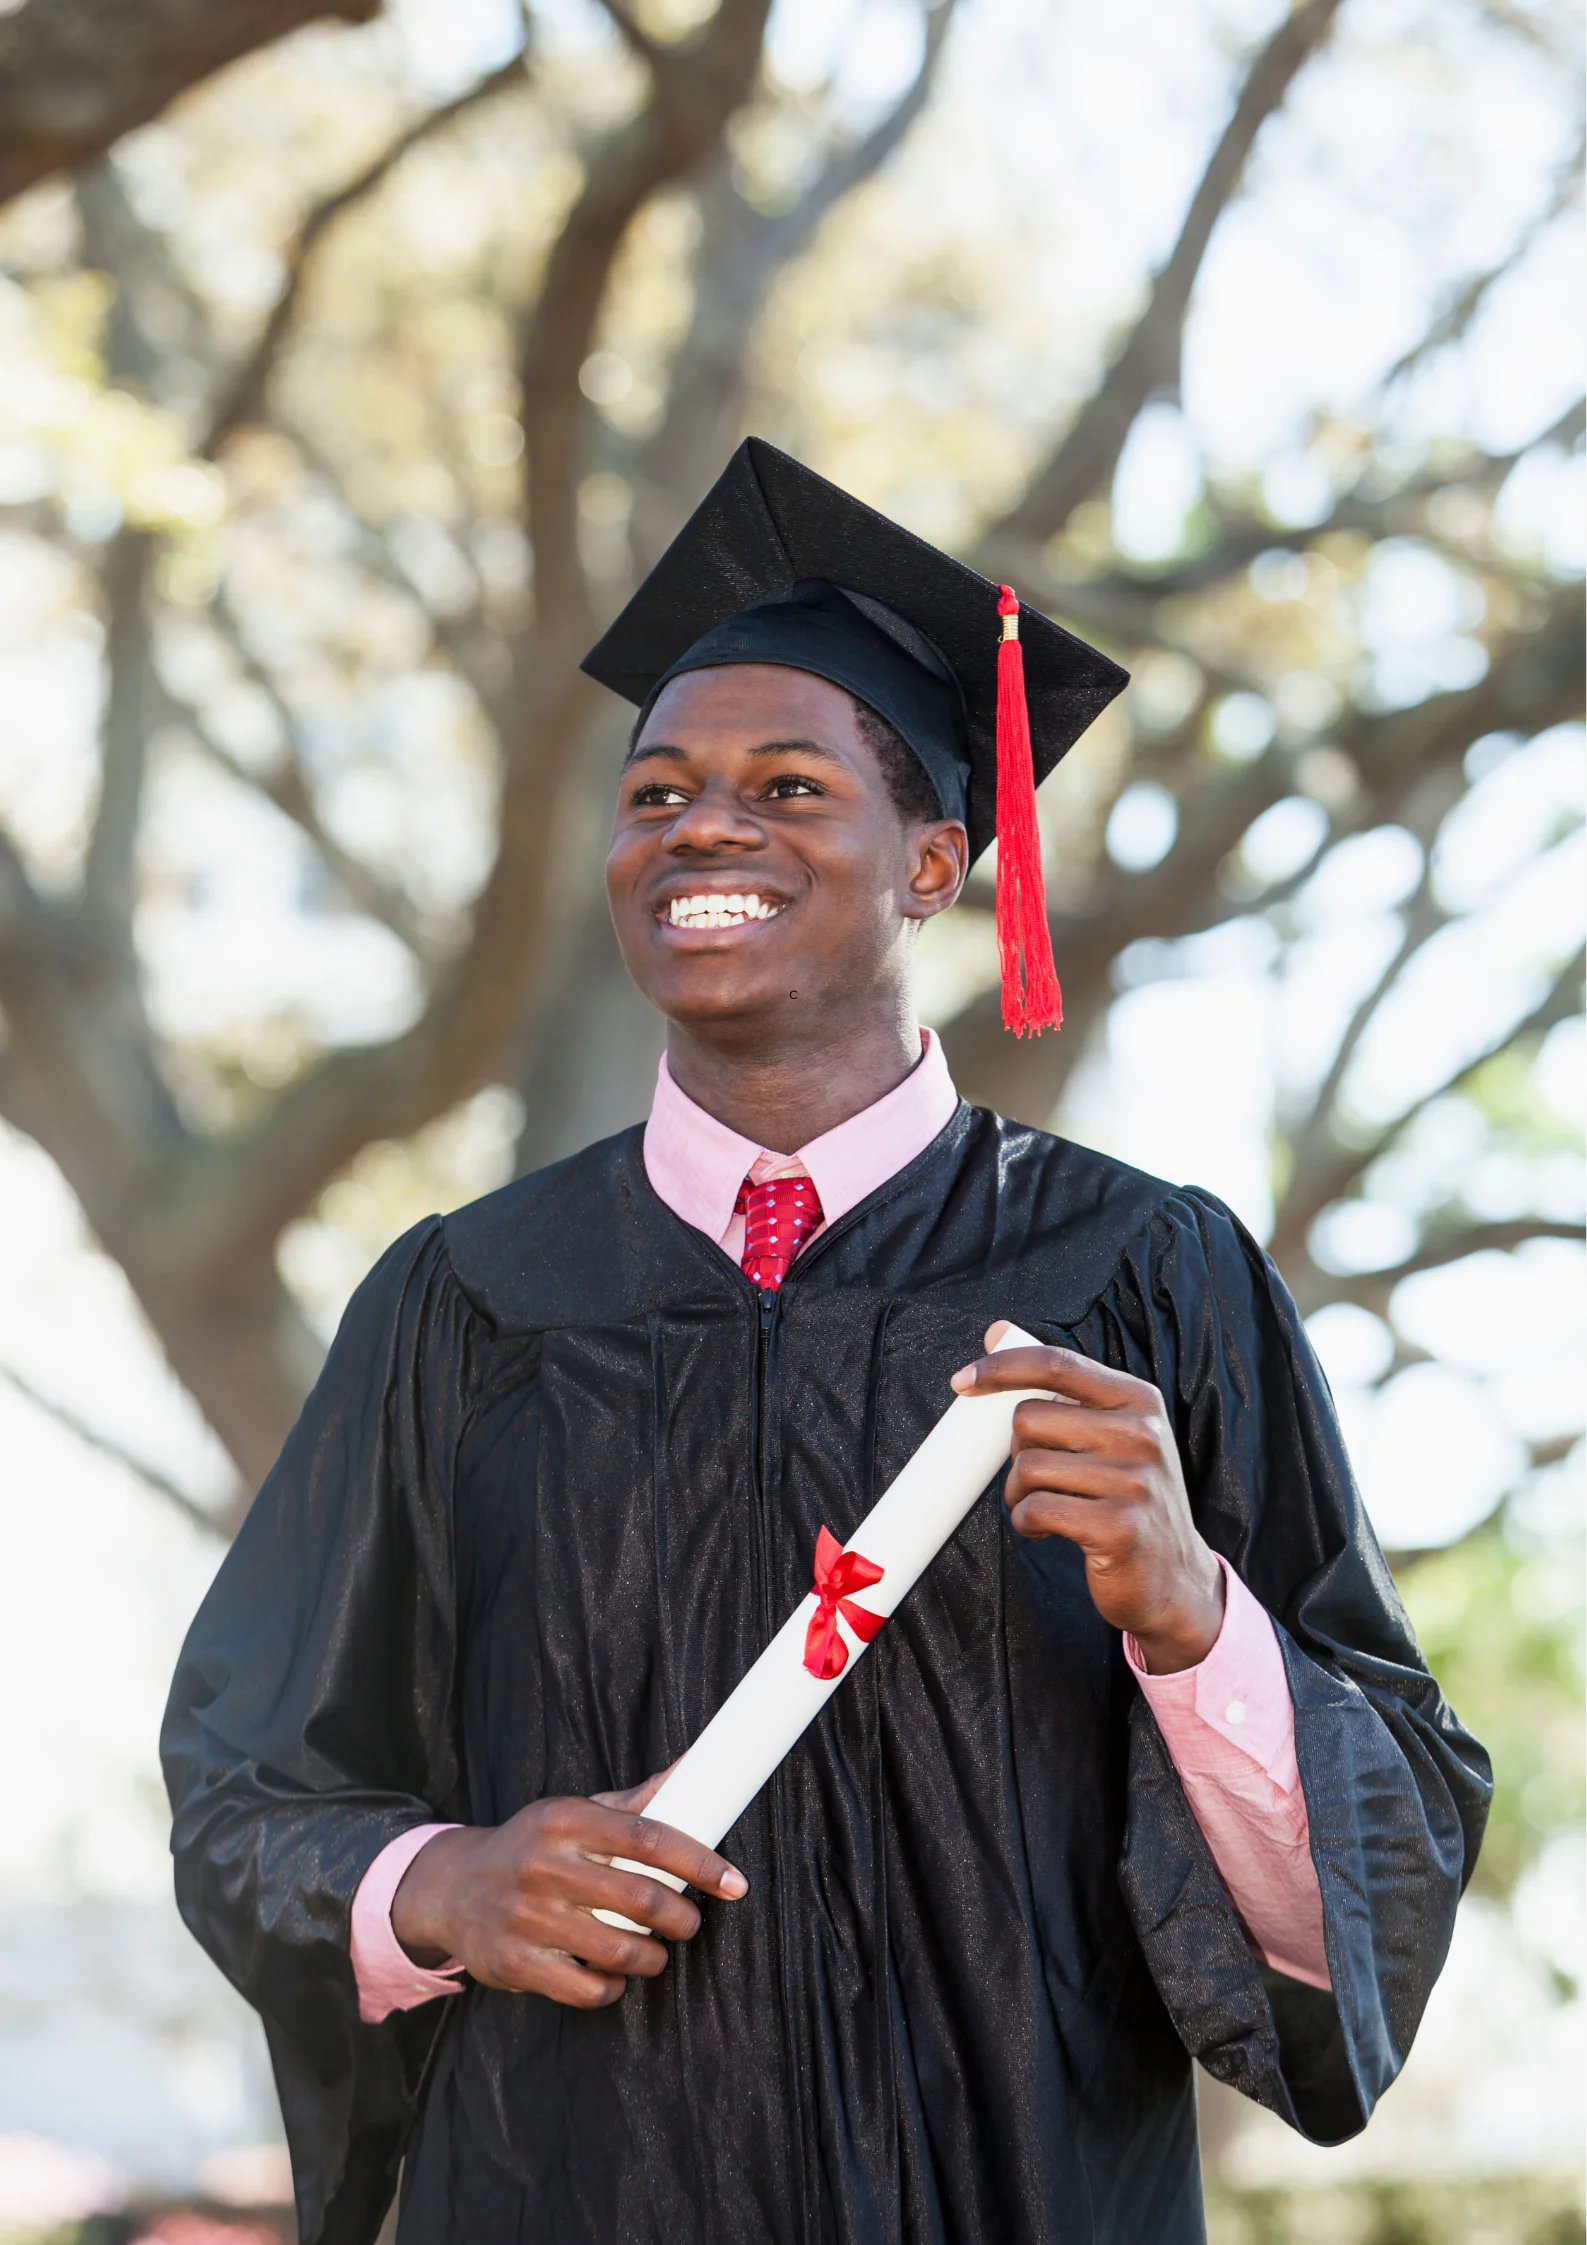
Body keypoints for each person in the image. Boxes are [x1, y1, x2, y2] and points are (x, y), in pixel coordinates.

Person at [163, 440, 1490, 2245]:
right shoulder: (468, 1298)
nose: (701, 826)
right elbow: (248, 1788)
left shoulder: (1139, 1274)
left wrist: (1194, 1622)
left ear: (937, 860)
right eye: (655, 795)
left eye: (787, 785)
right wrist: (441, 1885)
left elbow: (1375, 1861)